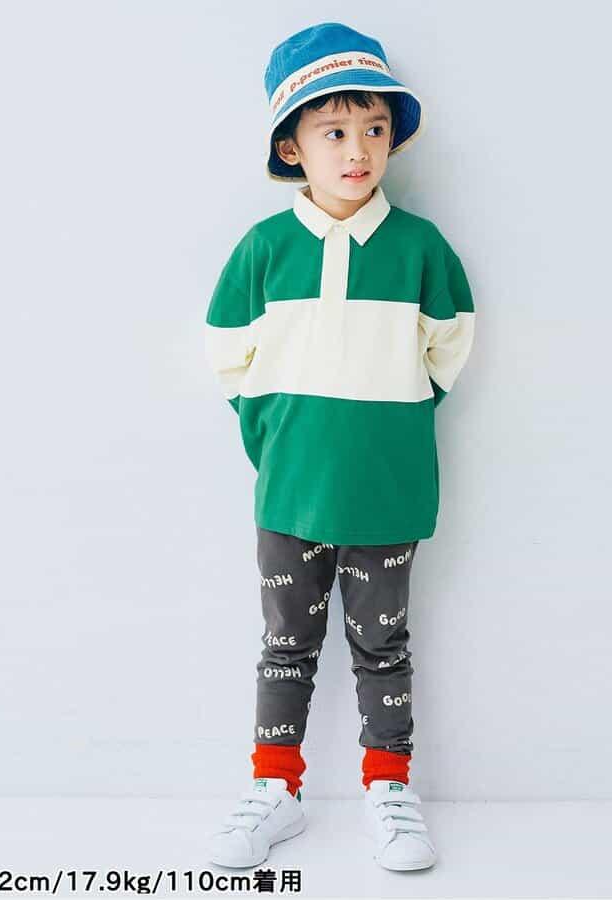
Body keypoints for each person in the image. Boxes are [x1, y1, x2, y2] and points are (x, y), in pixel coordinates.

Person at [203, 22, 476, 872]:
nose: (357, 151)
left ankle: (389, 788)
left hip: (389, 492)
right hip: (290, 493)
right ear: (293, 146)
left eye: (374, 129)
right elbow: (228, 356)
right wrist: (281, 435)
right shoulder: (264, 248)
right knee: (285, 646)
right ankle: (275, 788)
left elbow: (448, 349)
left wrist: (388, 423)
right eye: (334, 131)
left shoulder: (421, 247)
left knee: (382, 647)